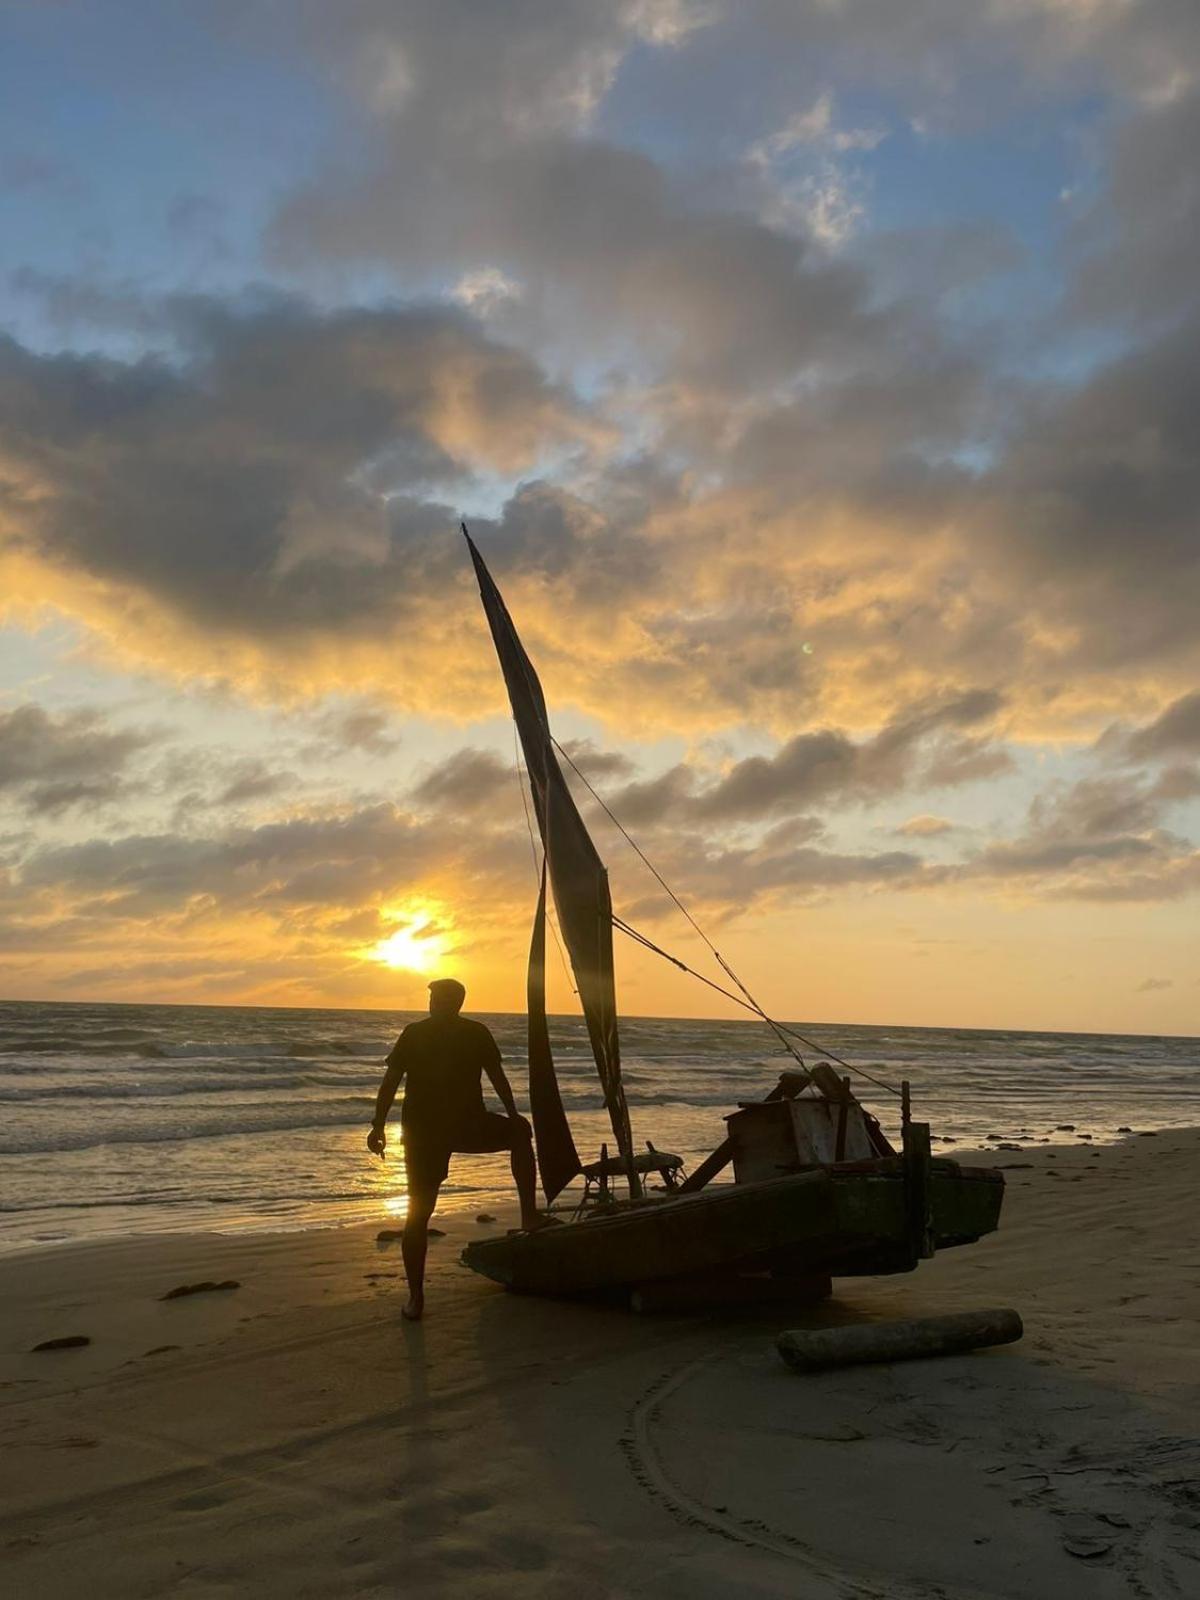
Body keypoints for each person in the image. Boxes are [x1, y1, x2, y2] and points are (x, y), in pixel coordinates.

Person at [368, 977, 539, 1320]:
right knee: (418, 1213)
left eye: (436, 998)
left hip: (460, 1126)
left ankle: (528, 1218)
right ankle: (416, 1296)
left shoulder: (470, 1032)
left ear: (452, 1002)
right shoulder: (419, 1033)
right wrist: (377, 1125)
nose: (432, 1004)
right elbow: (391, 1082)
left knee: (519, 1133)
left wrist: (512, 1114)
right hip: (429, 1133)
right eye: (431, 998)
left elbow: (495, 1075)